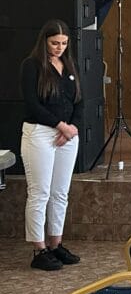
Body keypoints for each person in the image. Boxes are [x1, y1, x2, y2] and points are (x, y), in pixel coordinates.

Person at [20, 19, 83, 271]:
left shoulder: (69, 64)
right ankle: (39, 249)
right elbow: (32, 104)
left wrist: (72, 128)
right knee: (40, 193)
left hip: (67, 136)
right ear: (44, 41)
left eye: (64, 43)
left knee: (60, 193)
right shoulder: (32, 65)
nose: (59, 48)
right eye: (55, 43)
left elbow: (79, 100)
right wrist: (60, 125)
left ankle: (56, 244)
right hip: (40, 133)